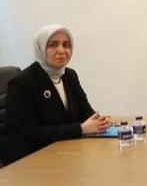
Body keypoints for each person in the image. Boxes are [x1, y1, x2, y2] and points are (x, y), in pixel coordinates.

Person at [5, 25, 111, 164]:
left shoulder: (70, 76)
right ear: (40, 48)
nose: (61, 51)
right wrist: (80, 129)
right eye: (53, 45)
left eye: (66, 45)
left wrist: (99, 121)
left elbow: (86, 113)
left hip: (66, 154)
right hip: (32, 161)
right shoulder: (22, 84)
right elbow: (28, 135)